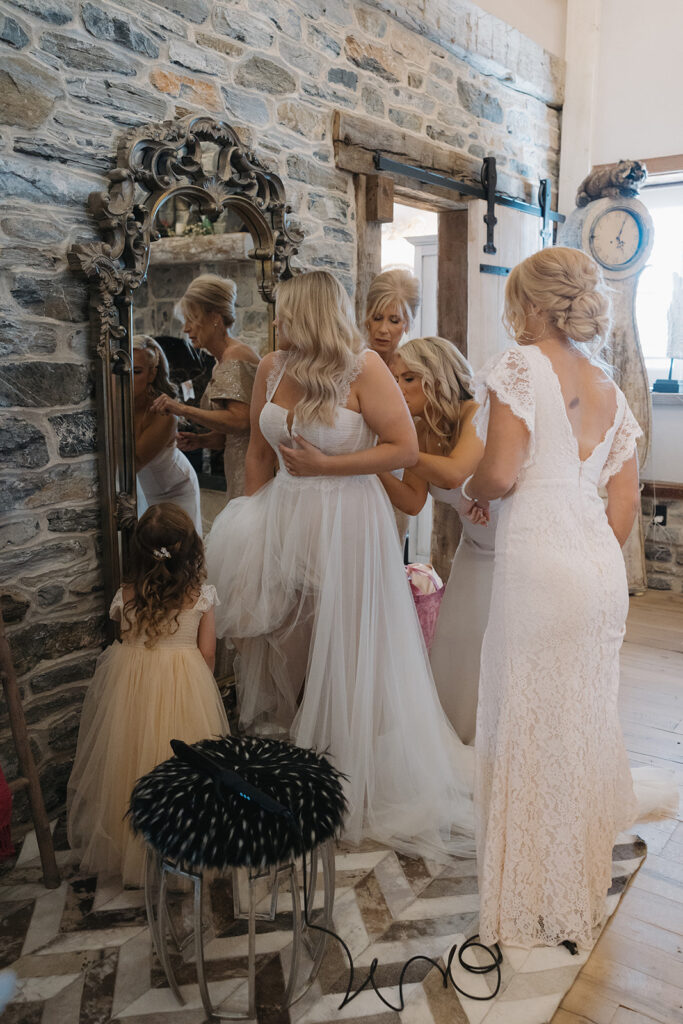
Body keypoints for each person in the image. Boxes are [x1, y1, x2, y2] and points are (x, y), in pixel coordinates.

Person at [206, 270, 474, 861]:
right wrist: (250, 523)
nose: (278, 322)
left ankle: (349, 772)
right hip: (285, 518)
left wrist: (327, 467)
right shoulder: (274, 366)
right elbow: (256, 450)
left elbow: (404, 450)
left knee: (346, 645)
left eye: (288, 312)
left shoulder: (364, 368)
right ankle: (302, 763)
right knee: (285, 636)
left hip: (349, 522)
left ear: (313, 313)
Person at [462, 247, 677, 949]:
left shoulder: (519, 365)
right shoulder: (611, 389)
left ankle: (527, 894)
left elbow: (497, 470)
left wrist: (473, 496)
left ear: (528, 304)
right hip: (594, 567)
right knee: (578, 720)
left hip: (539, 561)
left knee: (526, 718)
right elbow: (622, 508)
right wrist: (585, 549)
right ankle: (574, 882)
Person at [67, 504, 228, 887]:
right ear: (190, 550)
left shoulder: (126, 594)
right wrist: (198, 686)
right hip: (185, 683)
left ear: (138, 551)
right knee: (183, 771)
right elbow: (208, 653)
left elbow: (126, 640)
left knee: (130, 762)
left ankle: (132, 850)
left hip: (132, 685)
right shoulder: (200, 595)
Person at [379, 336, 498, 744]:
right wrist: (372, 466)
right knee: (457, 644)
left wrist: (390, 454)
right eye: (394, 379)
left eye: (408, 378)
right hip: (477, 549)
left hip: (516, 548)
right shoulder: (419, 430)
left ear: (438, 377)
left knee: (499, 648)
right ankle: (460, 740)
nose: (398, 389)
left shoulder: (477, 412)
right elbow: (412, 501)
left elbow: (453, 473)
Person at [151, 274, 259, 501]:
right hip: (236, 463)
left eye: (192, 319)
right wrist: (202, 441)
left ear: (214, 318)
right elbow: (226, 436)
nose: (186, 328)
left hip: (252, 465)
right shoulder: (220, 362)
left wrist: (182, 409)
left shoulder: (236, 356)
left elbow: (240, 422)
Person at [133, 335, 202, 535]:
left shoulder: (163, 413)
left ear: (152, 374)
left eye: (137, 372)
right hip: (144, 491)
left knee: (180, 554)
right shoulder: (118, 404)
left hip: (176, 490)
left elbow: (134, 461)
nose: (127, 379)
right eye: (124, 371)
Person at [364, 268, 420, 365]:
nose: (383, 329)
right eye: (377, 318)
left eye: (394, 320)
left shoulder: (414, 368)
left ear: (407, 324)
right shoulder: (350, 363)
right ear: (368, 315)